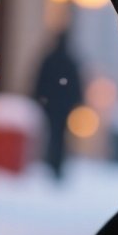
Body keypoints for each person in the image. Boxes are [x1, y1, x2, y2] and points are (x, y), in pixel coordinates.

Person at [32, 28, 85, 181]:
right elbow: (75, 85)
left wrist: (38, 98)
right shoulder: (69, 60)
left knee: (53, 135)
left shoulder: (50, 59)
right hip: (62, 107)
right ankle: (55, 164)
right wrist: (76, 101)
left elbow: (40, 81)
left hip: (50, 105)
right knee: (59, 137)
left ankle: (52, 163)